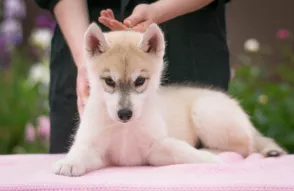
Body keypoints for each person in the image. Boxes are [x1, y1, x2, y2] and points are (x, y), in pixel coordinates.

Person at [34, 0, 231, 153]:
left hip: (186, 42)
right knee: (76, 172)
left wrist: (158, 11)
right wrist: (86, 62)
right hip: (79, 39)